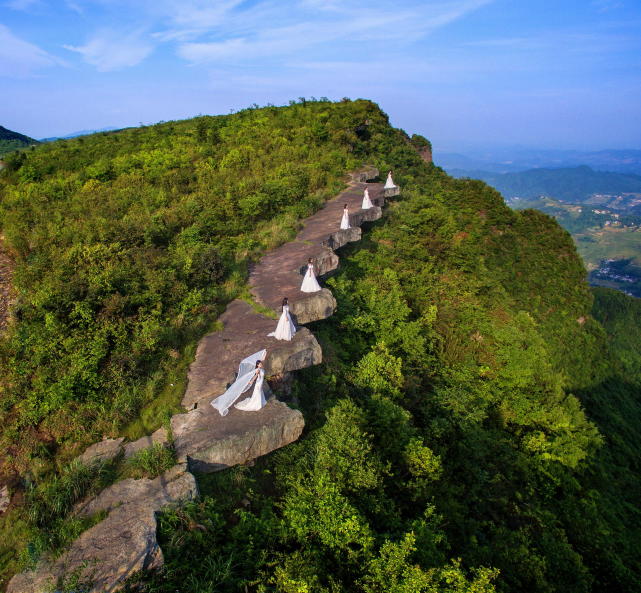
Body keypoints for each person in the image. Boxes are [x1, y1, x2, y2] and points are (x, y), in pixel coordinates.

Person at [211, 349, 267, 416]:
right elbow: (255, 376)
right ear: (257, 365)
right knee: (257, 392)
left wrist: (264, 352)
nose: (261, 364)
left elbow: (262, 359)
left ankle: (259, 403)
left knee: (259, 392)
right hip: (258, 383)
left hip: (260, 383)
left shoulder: (260, 368)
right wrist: (251, 381)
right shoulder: (258, 370)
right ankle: (256, 404)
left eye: (260, 363)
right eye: (259, 364)